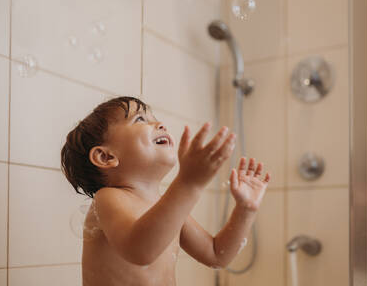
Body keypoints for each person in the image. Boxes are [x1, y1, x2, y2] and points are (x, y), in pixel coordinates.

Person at [61, 96, 271, 285]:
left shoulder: (164, 207)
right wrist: (189, 183)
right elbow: (140, 251)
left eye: (153, 117)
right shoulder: (108, 198)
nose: (159, 124)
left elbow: (217, 255)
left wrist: (245, 210)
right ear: (105, 157)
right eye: (140, 119)